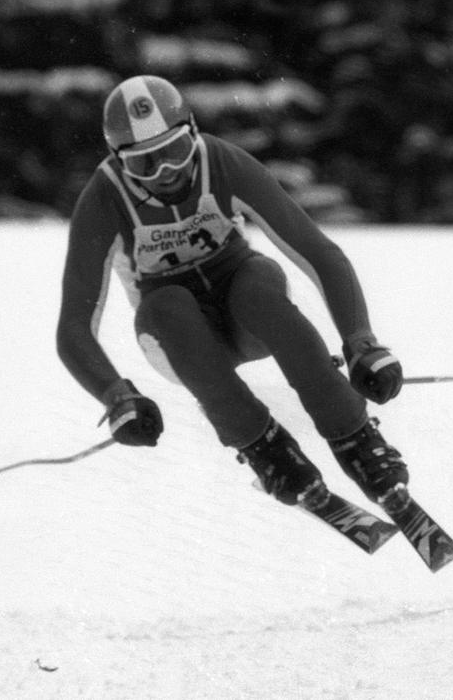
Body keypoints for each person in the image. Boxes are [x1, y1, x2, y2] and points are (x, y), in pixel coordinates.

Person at [56, 74, 410, 510]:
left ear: (193, 133)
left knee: (259, 286)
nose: (166, 173)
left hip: (245, 309)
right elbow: (74, 325)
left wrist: (360, 342)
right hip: (180, 339)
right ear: (118, 161)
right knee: (166, 307)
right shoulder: (104, 199)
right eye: (144, 164)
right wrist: (116, 396)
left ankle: (356, 435)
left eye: (175, 151)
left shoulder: (221, 163)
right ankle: (262, 446)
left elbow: (318, 252)